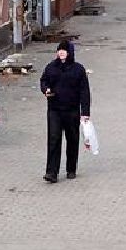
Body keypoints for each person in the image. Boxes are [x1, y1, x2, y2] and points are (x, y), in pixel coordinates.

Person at [40, 40, 90, 183]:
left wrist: (85, 113)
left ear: (70, 53)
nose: (61, 52)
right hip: (54, 110)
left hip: (72, 110)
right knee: (54, 140)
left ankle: (71, 169)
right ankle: (51, 172)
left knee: (72, 140)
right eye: (59, 50)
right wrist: (45, 89)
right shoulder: (51, 67)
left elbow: (84, 92)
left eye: (64, 50)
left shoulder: (78, 69)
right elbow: (43, 81)